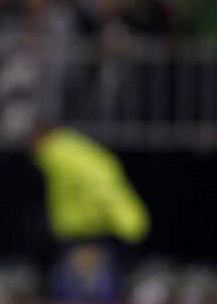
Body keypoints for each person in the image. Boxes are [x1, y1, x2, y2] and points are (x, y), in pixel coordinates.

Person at [29, 121, 151, 303]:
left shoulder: (62, 155)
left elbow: (103, 188)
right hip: (82, 232)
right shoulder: (72, 152)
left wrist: (127, 223)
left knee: (86, 290)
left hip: (87, 234)